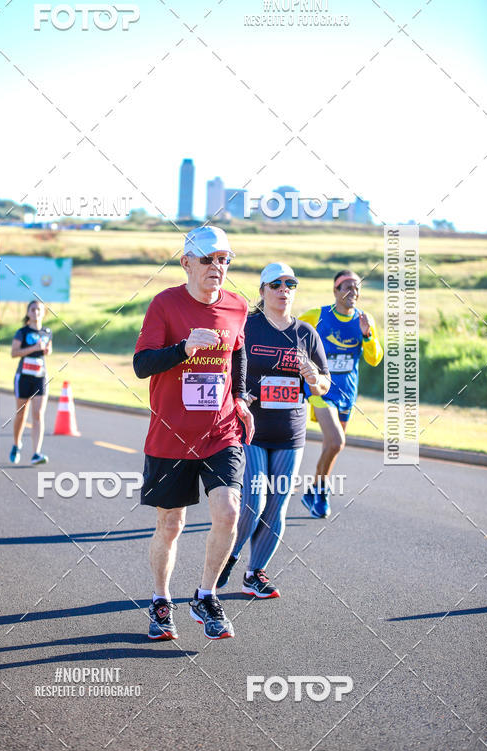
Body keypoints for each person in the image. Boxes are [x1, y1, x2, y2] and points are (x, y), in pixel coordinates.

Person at [133, 226, 254, 641]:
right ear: (186, 262)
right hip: (171, 435)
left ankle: (205, 595)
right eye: (208, 259)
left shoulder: (238, 305)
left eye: (224, 259)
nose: (217, 267)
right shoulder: (164, 304)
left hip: (220, 431)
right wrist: (183, 348)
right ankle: (160, 598)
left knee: (229, 511)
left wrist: (240, 398)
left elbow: (238, 352)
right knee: (171, 525)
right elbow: (142, 365)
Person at [217, 263, 330, 597]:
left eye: (290, 285)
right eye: (276, 285)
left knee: (277, 503)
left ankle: (255, 573)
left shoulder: (306, 333)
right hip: (251, 428)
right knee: (254, 500)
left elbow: (325, 384)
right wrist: (239, 395)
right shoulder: (248, 326)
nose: (284, 291)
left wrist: (314, 378)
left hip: (289, 431)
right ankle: (230, 556)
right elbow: (225, 368)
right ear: (262, 291)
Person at [298, 270, 384, 519]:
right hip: (320, 389)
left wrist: (367, 334)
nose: (353, 292)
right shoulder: (318, 315)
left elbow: (375, 359)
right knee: (336, 441)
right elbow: (290, 333)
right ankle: (322, 492)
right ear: (335, 291)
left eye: (356, 287)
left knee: (332, 446)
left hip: (347, 392)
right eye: (347, 287)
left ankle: (313, 491)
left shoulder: (364, 319)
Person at [10, 300, 52, 465]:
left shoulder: (47, 332)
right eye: (33, 309)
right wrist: (33, 348)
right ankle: (16, 444)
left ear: (44, 313)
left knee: (38, 414)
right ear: (28, 313)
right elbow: (14, 353)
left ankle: (36, 453)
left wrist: (47, 350)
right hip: (23, 377)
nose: (36, 312)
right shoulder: (22, 332)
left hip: (40, 377)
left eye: (39, 309)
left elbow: (48, 349)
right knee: (21, 414)